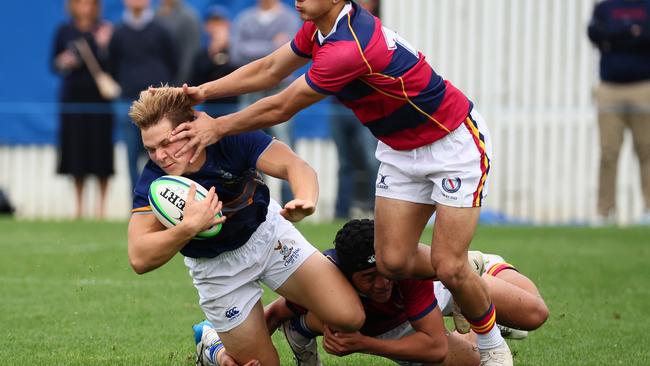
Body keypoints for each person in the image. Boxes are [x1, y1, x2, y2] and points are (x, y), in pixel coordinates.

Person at [163, 1, 511, 364]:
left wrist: (217, 126)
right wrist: (206, 91)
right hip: (400, 148)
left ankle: (491, 345)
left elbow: (283, 105)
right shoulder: (319, 29)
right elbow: (269, 69)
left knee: (448, 265)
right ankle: (462, 270)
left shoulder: (348, 48)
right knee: (392, 262)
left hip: (451, 141)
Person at [126, 86, 364, 366]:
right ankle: (214, 348)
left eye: (167, 143)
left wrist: (305, 198)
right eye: (150, 149)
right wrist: (188, 227)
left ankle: (294, 326)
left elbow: (295, 166)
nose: (160, 156)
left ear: (190, 125)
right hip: (217, 269)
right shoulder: (154, 183)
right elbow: (139, 257)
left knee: (350, 317)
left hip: (268, 234)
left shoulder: (229, 138)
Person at [193, 219, 548, 366]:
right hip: (409, 323)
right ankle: (486, 325)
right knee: (469, 360)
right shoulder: (328, 281)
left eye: (384, 273)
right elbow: (274, 314)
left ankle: (478, 279)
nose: (382, 283)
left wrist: (365, 345)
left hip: (453, 283)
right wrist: (222, 352)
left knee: (534, 314)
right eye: (368, 277)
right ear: (346, 275)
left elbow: (434, 344)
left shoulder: (402, 269)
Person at [229, 0, 302, 204]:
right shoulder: (245, 18)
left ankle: (292, 204)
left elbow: (289, 54)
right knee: (246, 145)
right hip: (251, 91)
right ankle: (254, 202)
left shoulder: (289, 17)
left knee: (286, 148)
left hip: (281, 90)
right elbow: (236, 53)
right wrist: (272, 47)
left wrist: (253, 50)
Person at [588, 0, 650, 225]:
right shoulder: (604, 7)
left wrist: (614, 36)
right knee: (608, 152)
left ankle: (648, 210)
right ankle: (604, 212)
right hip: (609, 88)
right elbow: (594, 33)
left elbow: (646, 36)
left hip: (643, 87)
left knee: (646, 150)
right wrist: (630, 31)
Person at [51, 0, 115, 219]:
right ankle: (78, 208)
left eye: (89, 3)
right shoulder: (64, 31)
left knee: (100, 152)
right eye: (80, 2)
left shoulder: (105, 29)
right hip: (73, 102)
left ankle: (101, 209)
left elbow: (113, 65)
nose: (85, 7)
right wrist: (63, 61)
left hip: (99, 101)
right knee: (76, 153)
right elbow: (54, 64)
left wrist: (105, 45)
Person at [108, 0, 177, 194]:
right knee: (131, 157)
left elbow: (174, 63)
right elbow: (111, 65)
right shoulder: (119, 32)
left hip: (158, 105)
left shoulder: (162, 30)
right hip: (128, 103)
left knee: (161, 155)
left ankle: (162, 202)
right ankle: (138, 205)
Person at [329, 0, 379, 219]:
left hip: (366, 110)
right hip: (339, 107)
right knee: (344, 163)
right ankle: (341, 213)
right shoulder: (337, 31)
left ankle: (378, 210)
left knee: (372, 160)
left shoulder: (373, 29)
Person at [190, 5, 239, 118]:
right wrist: (213, 52)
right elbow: (196, 79)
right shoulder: (201, 54)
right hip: (208, 109)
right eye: (213, 23)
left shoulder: (236, 51)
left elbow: (238, 70)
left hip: (234, 107)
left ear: (227, 25)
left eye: (220, 23)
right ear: (206, 27)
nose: (216, 27)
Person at [156, 0, 202, 85]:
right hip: (154, 84)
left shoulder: (188, 18)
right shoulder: (154, 16)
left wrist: (178, 84)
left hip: (176, 85)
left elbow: (190, 56)